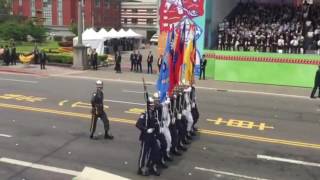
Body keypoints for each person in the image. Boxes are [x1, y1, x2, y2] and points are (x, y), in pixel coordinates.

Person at [136, 97, 161, 176]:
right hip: (146, 136)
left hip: (153, 136)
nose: (153, 106)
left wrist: (157, 133)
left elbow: (156, 124)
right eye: (151, 105)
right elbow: (138, 124)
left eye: (153, 105)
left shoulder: (154, 113)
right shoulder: (144, 114)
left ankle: (152, 166)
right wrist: (146, 129)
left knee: (156, 151)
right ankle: (140, 168)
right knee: (144, 153)